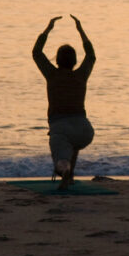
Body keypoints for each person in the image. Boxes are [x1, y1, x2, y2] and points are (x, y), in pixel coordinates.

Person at [33, 15, 96, 190]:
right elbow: (91, 55)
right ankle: (71, 177)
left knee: (62, 161)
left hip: (60, 127)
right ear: (74, 61)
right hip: (84, 129)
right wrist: (80, 30)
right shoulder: (81, 75)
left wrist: (48, 29)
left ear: (57, 60)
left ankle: (65, 172)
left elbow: (36, 52)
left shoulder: (51, 74)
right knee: (73, 145)